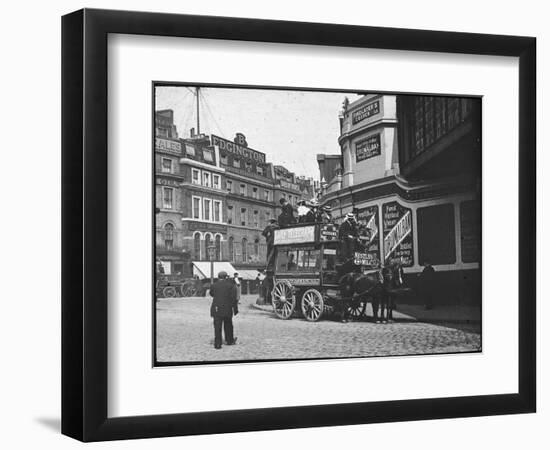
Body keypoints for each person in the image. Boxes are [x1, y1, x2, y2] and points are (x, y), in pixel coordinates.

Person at [209, 271, 238, 349]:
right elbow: (234, 298)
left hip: (216, 308)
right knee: (228, 325)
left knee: (217, 326)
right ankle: (229, 340)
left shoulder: (213, 285)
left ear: (218, 277)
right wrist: (235, 309)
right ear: (226, 277)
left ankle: (218, 343)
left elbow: (211, 294)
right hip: (227, 308)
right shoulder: (231, 285)